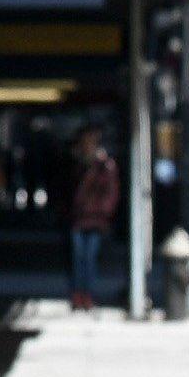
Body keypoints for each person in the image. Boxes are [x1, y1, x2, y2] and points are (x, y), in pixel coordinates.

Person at [67, 127, 118, 312]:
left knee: (89, 258)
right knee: (77, 258)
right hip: (78, 218)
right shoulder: (76, 163)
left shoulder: (104, 165)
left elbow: (111, 192)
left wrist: (103, 212)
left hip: (95, 219)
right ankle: (78, 293)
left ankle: (87, 294)